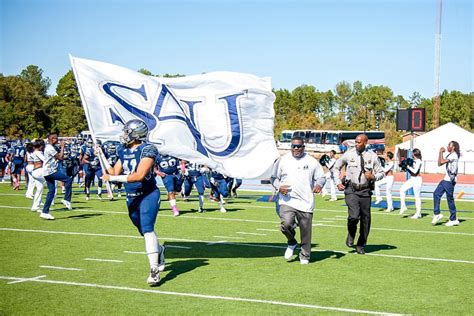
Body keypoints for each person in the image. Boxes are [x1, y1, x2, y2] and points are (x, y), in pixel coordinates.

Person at [100, 119, 165, 286]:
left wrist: (112, 178)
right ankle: (160, 250)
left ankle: (154, 270)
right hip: (131, 195)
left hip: (148, 194)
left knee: (148, 228)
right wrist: (101, 156)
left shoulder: (147, 149)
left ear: (137, 134)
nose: (124, 135)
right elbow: (113, 171)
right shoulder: (124, 150)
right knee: (142, 230)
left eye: (127, 132)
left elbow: (139, 175)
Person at [271, 136, 326, 264]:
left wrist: (319, 185)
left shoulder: (311, 161)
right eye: (293, 146)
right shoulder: (282, 160)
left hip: (306, 201)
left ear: (303, 147)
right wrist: (279, 187)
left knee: (305, 230)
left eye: (299, 146)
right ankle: (291, 241)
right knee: (286, 224)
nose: (296, 149)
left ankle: (305, 255)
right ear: (290, 147)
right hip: (287, 200)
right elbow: (273, 178)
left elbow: (321, 177)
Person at [333, 134, 384, 255]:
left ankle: (361, 244)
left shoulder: (372, 156)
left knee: (366, 219)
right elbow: (336, 167)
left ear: (365, 143)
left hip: (365, 190)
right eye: (355, 142)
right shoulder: (349, 154)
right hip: (352, 189)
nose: (356, 144)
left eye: (359, 142)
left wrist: (373, 177)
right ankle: (351, 234)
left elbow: (381, 172)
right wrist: (338, 182)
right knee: (354, 216)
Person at [41, 133, 73, 220]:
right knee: (68, 180)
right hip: (50, 171)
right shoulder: (50, 148)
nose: (58, 141)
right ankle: (66, 199)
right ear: (52, 139)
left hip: (48, 171)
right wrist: (62, 147)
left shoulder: (50, 147)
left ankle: (45, 212)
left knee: (51, 191)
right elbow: (60, 158)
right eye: (56, 139)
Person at [432, 141, 461, 226]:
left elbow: (441, 162)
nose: (447, 146)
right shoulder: (450, 155)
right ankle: (437, 214)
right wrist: (440, 153)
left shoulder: (453, 155)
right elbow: (439, 163)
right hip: (446, 179)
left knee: (449, 199)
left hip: (449, 180)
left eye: (449, 145)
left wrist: (440, 152)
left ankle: (453, 219)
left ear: (453, 147)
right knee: (436, 194)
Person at [399, 149, 423, 219]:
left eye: (412, 153)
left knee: (417, 196)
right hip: (412, 179)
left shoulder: (419, 161)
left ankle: (418, 213)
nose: (412, 154)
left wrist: (407, 166)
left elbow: (415, 171)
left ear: (414, 154)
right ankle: (403, 206)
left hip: (417, 179)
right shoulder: (414, 161)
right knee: (402, 189)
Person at [30, 139, 46, 212]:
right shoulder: (38, 152)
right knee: (53, 181)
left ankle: (35, 206)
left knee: (39, 189)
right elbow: (45, 160)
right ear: (40, 146)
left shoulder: (34, 152)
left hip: (35, 171)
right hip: (39, 171)